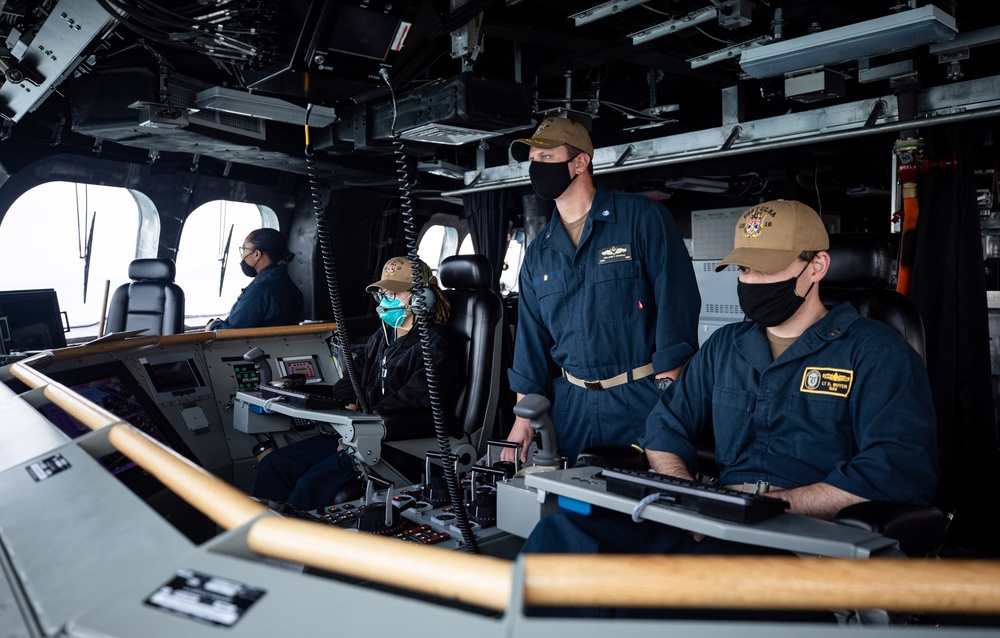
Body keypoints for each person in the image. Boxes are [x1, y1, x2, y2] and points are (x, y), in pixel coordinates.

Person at [521, 200, 939, 617]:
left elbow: (893, 469)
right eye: (742, 269)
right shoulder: (726, 347)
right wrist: (688, 501)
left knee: (667, 600)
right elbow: (664, 429)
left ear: (817, 266)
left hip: (804, 542)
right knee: (561, 538)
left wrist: (769, 506)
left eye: (765, 268)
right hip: (712, 522)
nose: (751, 281)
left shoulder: (877, 352)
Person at [504, 117, 701, 464]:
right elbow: (531, 340)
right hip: (572, 409)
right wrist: (523, 417)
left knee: (645, 508)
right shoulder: (539, 252)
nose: (536, 168)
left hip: (640, 400)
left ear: (580, 162)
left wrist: (669, 401)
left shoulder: (641, 219)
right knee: (571, 507)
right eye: (533, 160)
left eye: (547, 158)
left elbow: (677, 303)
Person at [252, 257, 462, 510]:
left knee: (309, 485)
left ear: (421, 298)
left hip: (397, 441)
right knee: (274, 465)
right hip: (358, 430)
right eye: (383, 294)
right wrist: (349, 405)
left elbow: (415, 400)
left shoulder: (434, 344)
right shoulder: (381, 337)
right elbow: (349, 379)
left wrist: (365, 423)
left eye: (394, 293)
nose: (386, 300)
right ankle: (259, 539)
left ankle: (295, 545)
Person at [205, 228, 304, 331]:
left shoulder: (259, 290)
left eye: (244, 250)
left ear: (257, 254)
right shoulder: (288, 284)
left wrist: (212, 326)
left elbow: (230, 332)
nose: (242, 255)